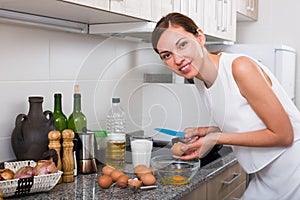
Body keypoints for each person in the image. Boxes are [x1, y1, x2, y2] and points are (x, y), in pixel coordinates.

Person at [151, 12, 300, 200]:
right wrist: (209, 131)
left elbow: (284, 135)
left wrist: (216, 138)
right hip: (269, 176)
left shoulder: (239, 67)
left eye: (182, 44)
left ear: (200, 37)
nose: (178, 59)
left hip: (294, 173)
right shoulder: (198, 78)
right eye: (167, 55)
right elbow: (247, 119)